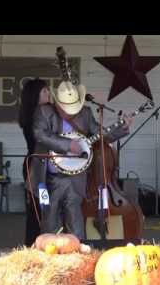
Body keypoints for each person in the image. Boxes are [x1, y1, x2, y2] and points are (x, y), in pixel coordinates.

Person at [29, 80, 133, 239]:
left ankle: (77, 253)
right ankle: (49, 258)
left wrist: (123, 128)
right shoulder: (44, 112)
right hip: (49, 176)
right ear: (57, 104)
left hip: (76, 176)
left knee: (75, 218)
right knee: (50, 220)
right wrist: (68, 145)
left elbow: (102, 134)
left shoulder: (85, 113)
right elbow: (40, 135)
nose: (71, 113)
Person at [18, 78, 51, 246]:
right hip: (36, 167)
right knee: (37, 209)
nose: (49, 94)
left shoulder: (47, 113)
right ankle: (32, 245)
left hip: (47, 165)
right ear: (34, 96)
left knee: (47, 208)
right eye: (44, 91)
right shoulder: (33, 118)